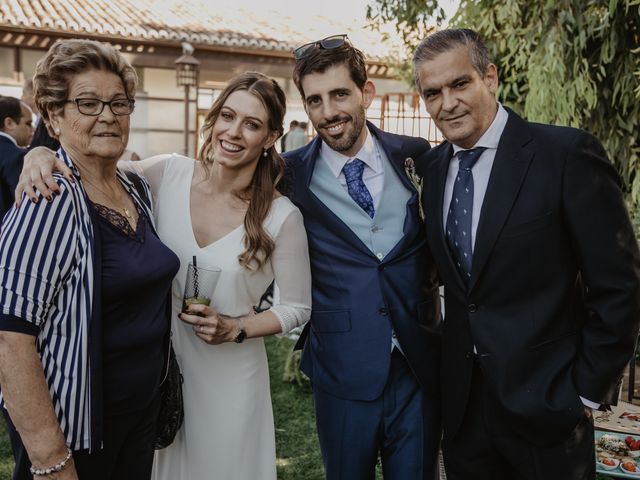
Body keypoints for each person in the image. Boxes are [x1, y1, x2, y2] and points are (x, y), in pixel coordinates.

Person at [18, 71, 313, 480]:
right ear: (214, 117)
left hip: (230, 379)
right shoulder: (163, 175)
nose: (234, 132)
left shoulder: (281, 216)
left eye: (252, 124)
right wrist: (40, 154)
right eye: (228, 115)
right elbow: (92, 171)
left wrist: (237, 327)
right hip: (155, 373)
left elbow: (297, 307)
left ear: (270, 137)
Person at [412, 28, 640, 480]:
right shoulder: (433, 171)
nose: (447, 103)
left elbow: (619, 285)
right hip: (464, 415)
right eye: (432, 93)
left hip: (550, 409)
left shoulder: (565, 154)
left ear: (490, 78)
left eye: (460, 84)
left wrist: (585, 392)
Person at [0, 39, 179, 480]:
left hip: (138, 418)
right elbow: (9, 338)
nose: (107, 115)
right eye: (88, 103)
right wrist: (51, 461)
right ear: (55, 115)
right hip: (75, 434)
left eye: (119, 103)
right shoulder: (49, 199)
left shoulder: (135, 189)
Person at [283, 34, 441, 479]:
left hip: (418, 362)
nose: (328, 112)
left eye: (339, 94)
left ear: (365, 92)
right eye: (314, 101)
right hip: (340, 365)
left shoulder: (414, 155)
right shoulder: (288, 172)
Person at [0, 96, 33, 217]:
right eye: (28, 123)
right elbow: (24, 202)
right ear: (9, 123)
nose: (33, 129)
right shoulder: (16, 156)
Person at [23, 77, 61, 151]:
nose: (21, 97)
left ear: (34, 94)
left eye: (24, 93)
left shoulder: (47, 119)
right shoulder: (39, 119)